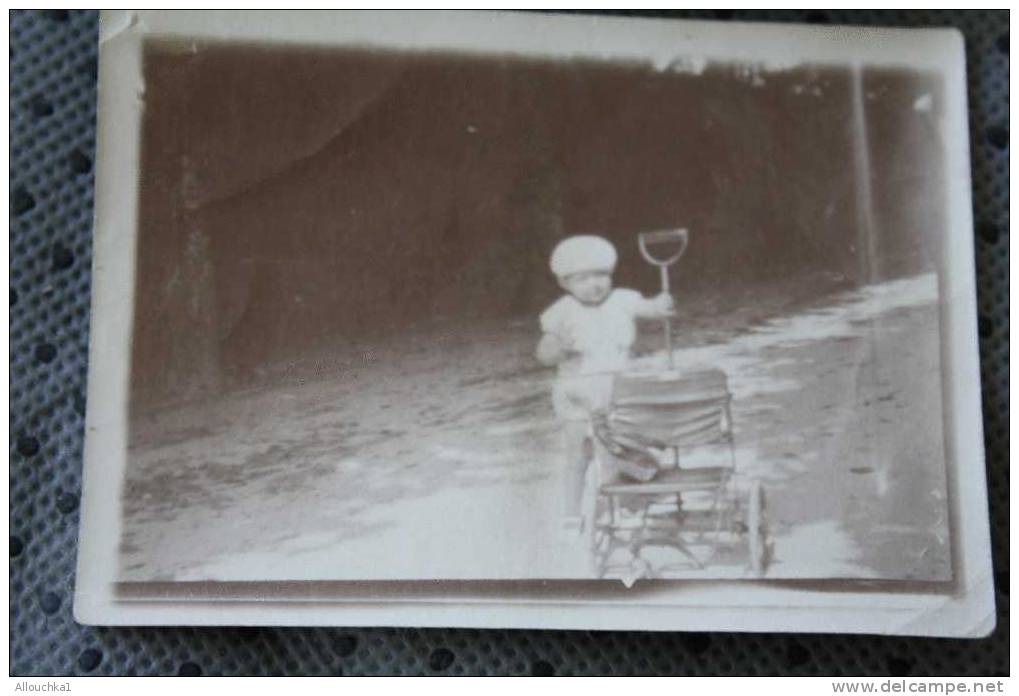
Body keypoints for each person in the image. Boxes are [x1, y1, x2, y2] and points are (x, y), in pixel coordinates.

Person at [536, 235, 675, 540]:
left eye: (601, 275)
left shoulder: (623, 299)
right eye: (582, 279)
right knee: (578, 453)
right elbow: (544, 353)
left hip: (617, 388)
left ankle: (623, 502)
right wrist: (557, 348)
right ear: (564, 283)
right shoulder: (562, 311)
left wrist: (660, 305)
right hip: (578, 391)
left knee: (617, 449)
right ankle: (571, 511)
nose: (594, 284)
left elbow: (648, 308)